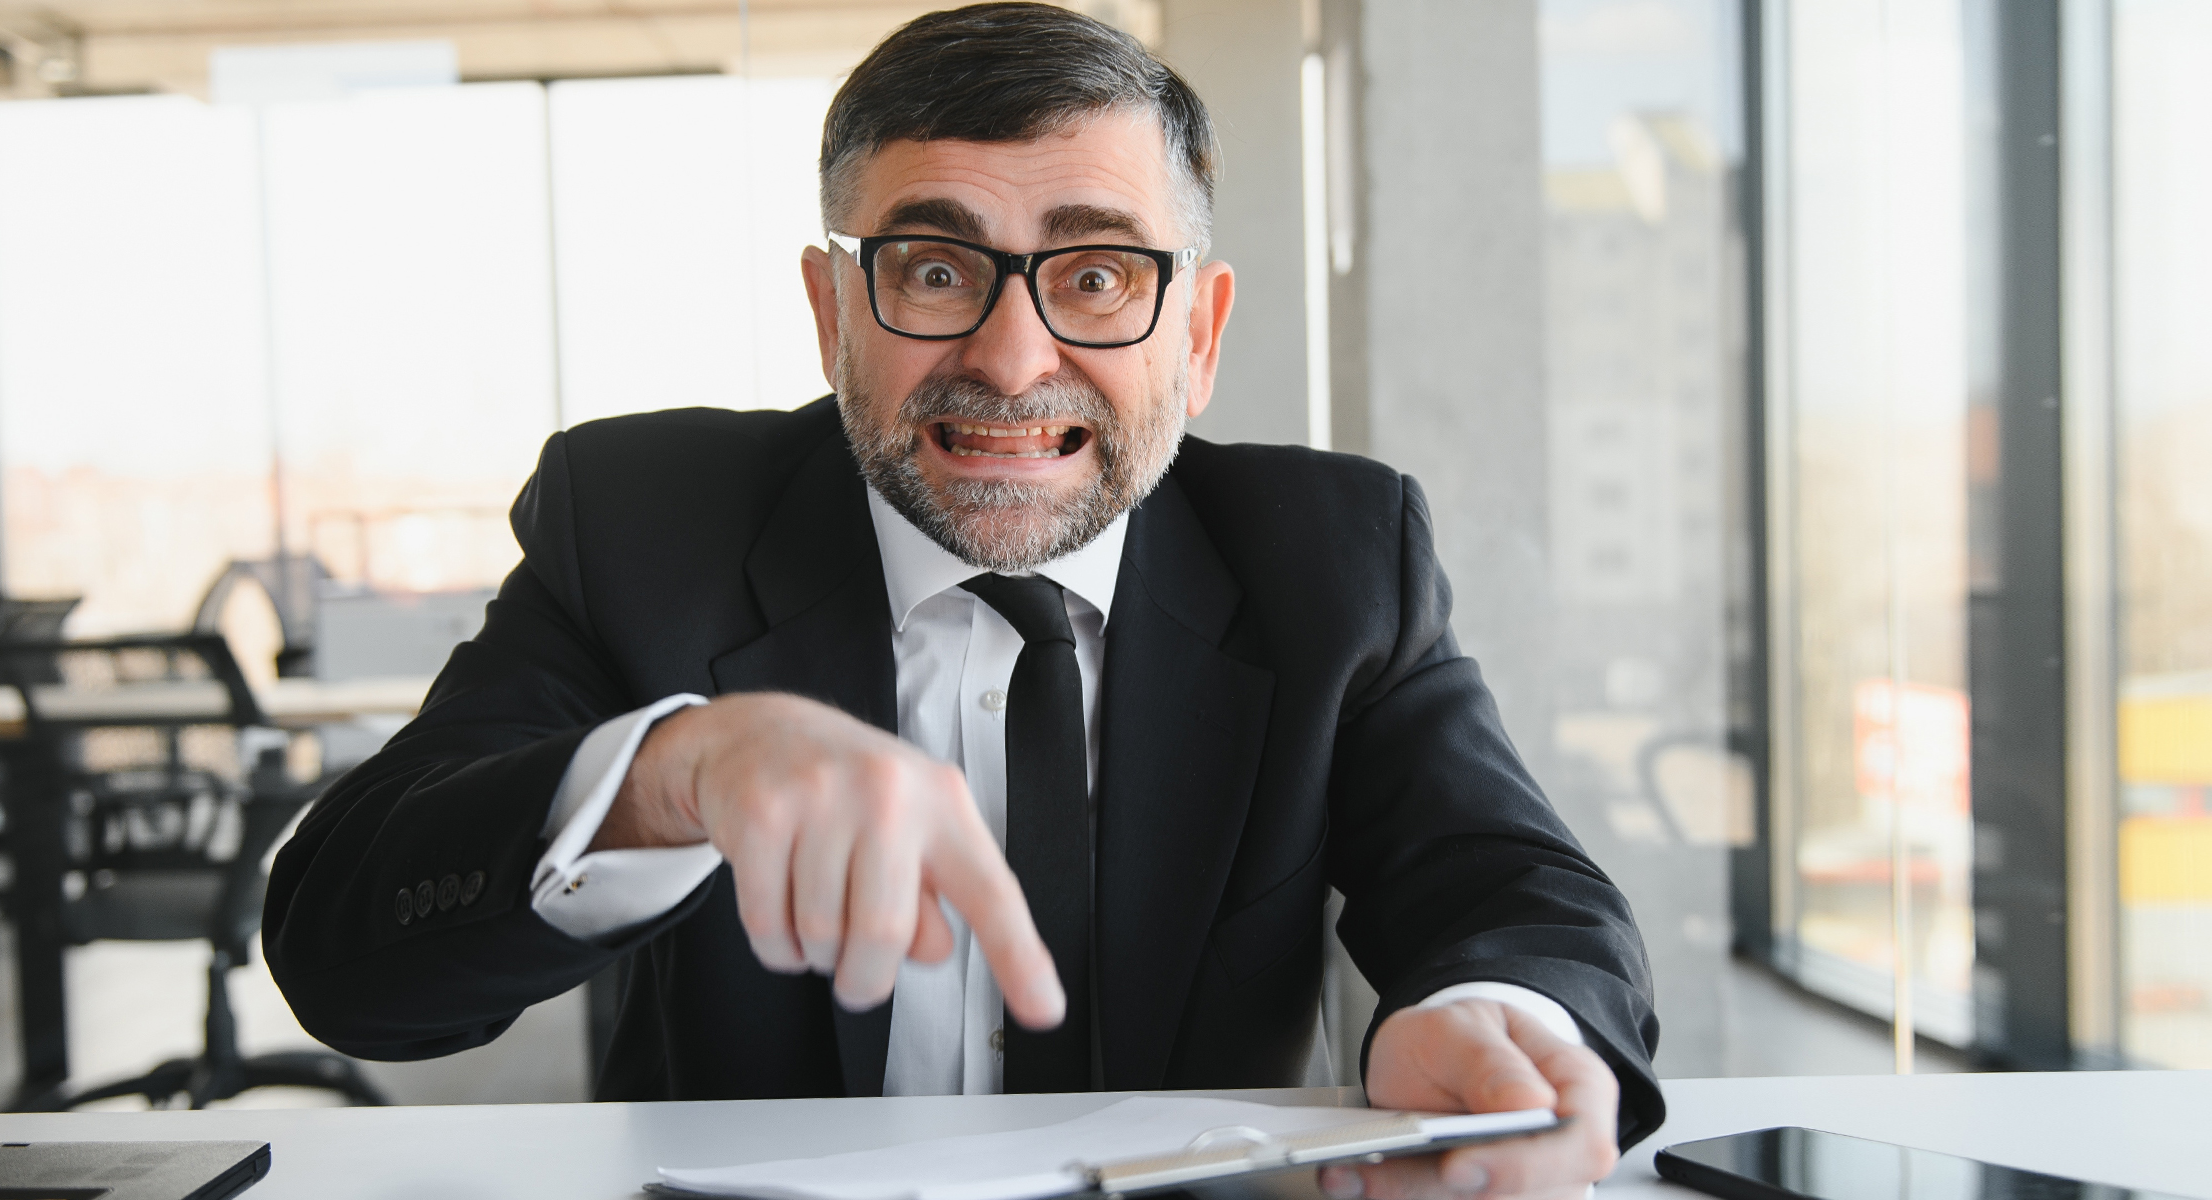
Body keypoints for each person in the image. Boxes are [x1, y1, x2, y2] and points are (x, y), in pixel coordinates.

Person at [264, 5, 1660, 1196]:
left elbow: (1515, 889)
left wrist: (1496, 1025)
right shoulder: (640, 526)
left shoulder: (1332, 559)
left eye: (1098, 274)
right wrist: (670, 772)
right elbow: (345, 957)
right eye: (934, 270)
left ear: (1201, 334)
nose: (1008, 358)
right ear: (831, 317)